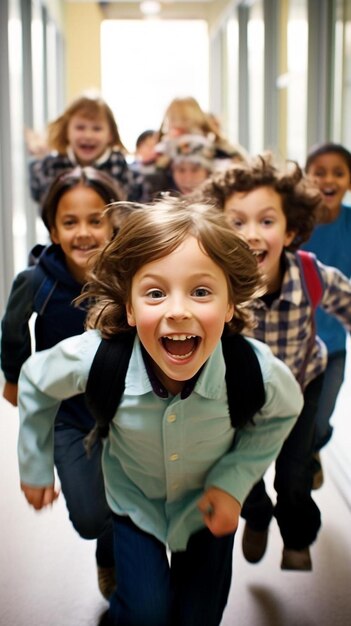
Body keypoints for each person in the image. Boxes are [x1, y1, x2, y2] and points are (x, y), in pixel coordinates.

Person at [16, 196, 303, 626]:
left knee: (199, 615)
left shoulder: (251, 370)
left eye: (201, 291)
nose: (178, 310)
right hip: (135, 506)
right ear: (130, 307)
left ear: (229, 306)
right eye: (154, 293)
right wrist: (36, 463)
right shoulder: (97, 358)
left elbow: (287, 410)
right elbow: (37, 380)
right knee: (146, 612)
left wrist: (235, 479)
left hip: (209, 510)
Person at [199, 153, 351, 570]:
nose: (251, 235)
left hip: (302, 387)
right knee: (239, 474)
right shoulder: (214, 281)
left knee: (293, 476)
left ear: (291, 230)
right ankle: (258, 515)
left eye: (266, 221)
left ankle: (298, 536)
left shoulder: (310, 274)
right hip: (241, 394)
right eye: (236, 222)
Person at [1, 166, 126, 600]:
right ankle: (104, 544)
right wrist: (14, 376)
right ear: (53, 229)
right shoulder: (37, 281)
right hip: (67, 417)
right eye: (70, 222)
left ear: (113, 224)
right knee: (91, 518)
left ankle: (116, 558)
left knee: (126, 504)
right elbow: (13, 328)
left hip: (125, 412)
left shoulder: (129, 278)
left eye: (95, 220)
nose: (84, 233)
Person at [303, 142, 351, 488]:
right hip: (295, 343)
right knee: (294, 418)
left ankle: (314, 446)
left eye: (338, 172)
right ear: (308, 178)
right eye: (319, 172)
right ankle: (303, 455)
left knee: (320, 421)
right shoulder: (297, 222)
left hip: (334, 344)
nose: (328, 179)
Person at [28, 93, 143, 205]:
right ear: (66, 132)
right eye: (80, 127)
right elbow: (42, 198)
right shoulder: (54, 163)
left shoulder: (118, 164)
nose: (88, 135)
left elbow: (130, 202)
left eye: (97, 129)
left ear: (110, 135)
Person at [158, 96, 246, 163]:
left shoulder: (219, 150)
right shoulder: (164, 150)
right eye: (173, 120)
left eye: (184, 120)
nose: (177, 125)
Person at [144, 133, 216, 200]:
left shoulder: (222, 203)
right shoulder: (158, 200)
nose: (188, 179)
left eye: (195, 170)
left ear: (207, 172)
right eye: (181, 170)